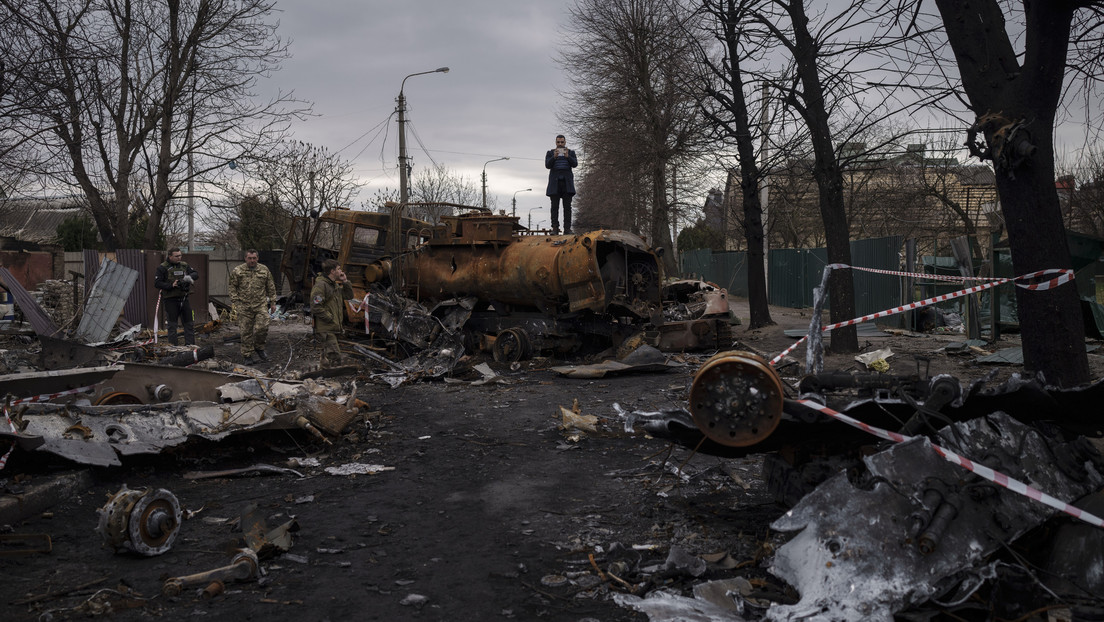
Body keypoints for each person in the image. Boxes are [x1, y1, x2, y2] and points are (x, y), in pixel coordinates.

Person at [229, 249, 277, 365]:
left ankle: (259, 347)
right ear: (245, 258)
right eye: (249, 258)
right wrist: (236, 302)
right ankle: (247, 355)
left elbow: (270, 286)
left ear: (257, 258)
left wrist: (273, 302)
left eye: (254, 258)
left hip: (260, 305)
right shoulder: (238, 271)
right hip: (244, 306)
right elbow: (232, 287)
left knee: (263, 327)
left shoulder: (264, 270)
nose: (252, 261)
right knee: (246, 332)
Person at [310, 258, 353, 368]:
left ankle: (323, 373)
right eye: (339, 269)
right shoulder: (321, 285)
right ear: (332, 271)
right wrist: (330, 318)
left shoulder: (334, 285)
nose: (341, 271)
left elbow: (348, 296)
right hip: (326, 327)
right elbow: (316, 307)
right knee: (334, 355)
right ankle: (331, 378)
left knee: (329, 353)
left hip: (332, 326)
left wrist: (345, 282)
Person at [154, 247, 199, 346]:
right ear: (170, 256)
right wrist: (171, 285)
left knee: (189, 324)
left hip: (184, 298)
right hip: (170, 300)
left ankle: (190, 347)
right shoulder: (162, 267)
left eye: (180, 255)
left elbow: (196, 274)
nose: (179, 258)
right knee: (172, 326)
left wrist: (188, 278)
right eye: (177, 256)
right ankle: (173, 348)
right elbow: (157, 283)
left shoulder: (184, 265)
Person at [545, 134, 578, 235]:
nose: (560, 144)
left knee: (567, 207)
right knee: (554, 207)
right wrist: (554, 157)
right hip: (555, 184)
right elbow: (547, 165)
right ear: (555, 143)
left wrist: (568, 157)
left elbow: (575, 164)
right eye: (558, 142)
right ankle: (555, 228)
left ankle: (567, 229)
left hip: (566, 184)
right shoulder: (550, 153)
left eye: (562, 142)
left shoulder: (571, 153)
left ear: (565, 142)